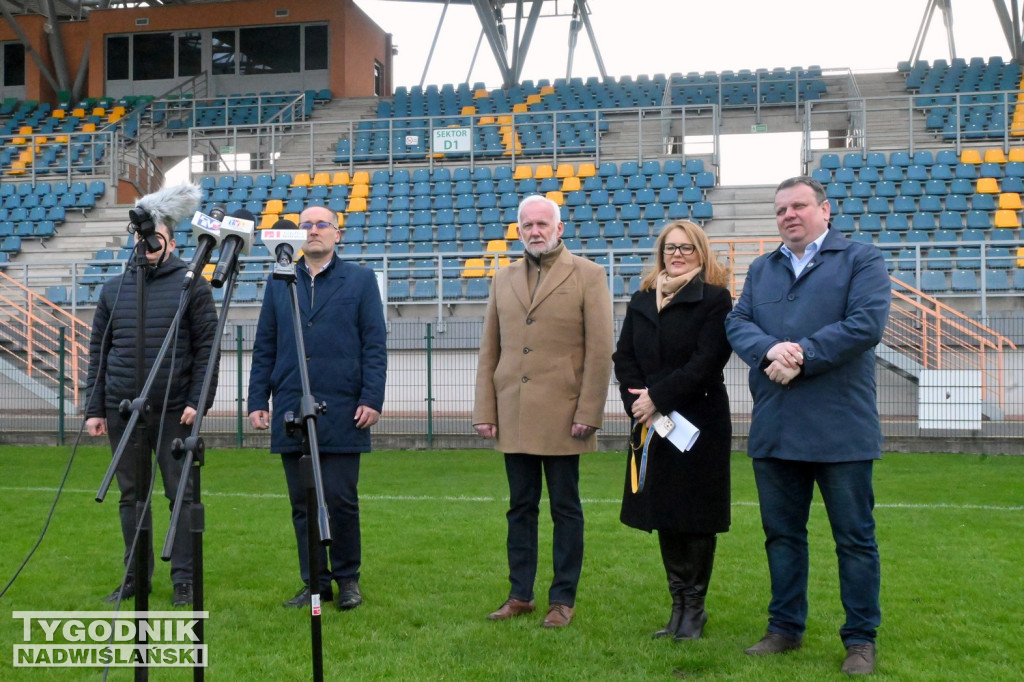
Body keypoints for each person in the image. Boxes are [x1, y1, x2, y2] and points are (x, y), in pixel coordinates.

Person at [725, 176, 891, 675]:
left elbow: (866, 324)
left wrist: (801, 355)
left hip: (842, 429)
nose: (789, 215)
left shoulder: (861, 259)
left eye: (799, 206)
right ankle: (784, 629)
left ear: (825, 209)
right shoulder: (762, 267)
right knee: (782, 537)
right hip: (776, 427)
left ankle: (860, 639)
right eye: (781, 210)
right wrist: (770, 350)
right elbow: (738, 323)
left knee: (854, 539)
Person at [473, 194, 613, 628]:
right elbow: (489, 348)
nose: (535, 231)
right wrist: (485, 407)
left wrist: (589, 409)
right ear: (519, 231)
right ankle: (520, 595)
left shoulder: (589, 275)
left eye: (542, 224)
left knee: (565, 508)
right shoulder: (502, 278)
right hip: (513, 411)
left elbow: (600, 349)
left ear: (559, 228)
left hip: (565, 413)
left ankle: (562, 599)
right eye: (527, 225)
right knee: (520, 508)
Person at [85, 184, 218, 608]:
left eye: (154, 236)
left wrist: (199, 401)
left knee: (181, 494)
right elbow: (98, 353)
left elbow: (207, 351)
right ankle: (135, 577)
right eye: (140, 237)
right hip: (123, 410)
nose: (145, 244)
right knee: (131, 497)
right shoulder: (113, 289)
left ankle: (184, 580)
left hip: (176, 411)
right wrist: (94, 407)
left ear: (172, 240)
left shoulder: (192, 286)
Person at [248, 204, 387, 611]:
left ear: (337, 234)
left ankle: (347, 580)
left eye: (321, 224)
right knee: (302, 503)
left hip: (344, 408)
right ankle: (315, 582)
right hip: (291, 405)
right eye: (306, 225)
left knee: (341, 500)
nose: (313, 231)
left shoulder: (360, 281)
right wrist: (258, 399)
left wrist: (371, 398)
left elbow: (374, 345)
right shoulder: (279, 281)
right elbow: (265, 346)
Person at [612, 219, 733, 641]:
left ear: (701, 253)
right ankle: (677, 606)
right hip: (652, 424)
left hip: (699, 424)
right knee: (665, 514)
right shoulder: (642, 299)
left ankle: (694, 611)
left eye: (686, 248)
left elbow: (706, 363)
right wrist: (638, 405)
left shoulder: (716, 299)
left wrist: (657, 397)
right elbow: (623, 358)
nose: (677, 255)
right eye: (670, 248)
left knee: (695, 517)